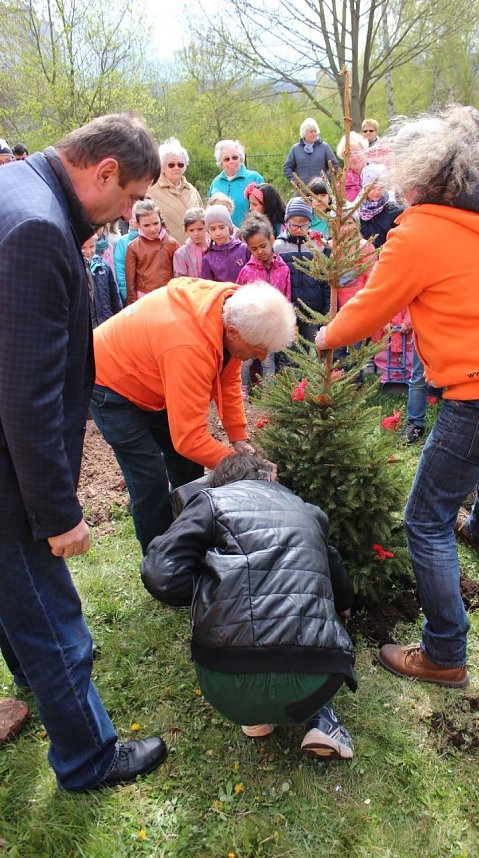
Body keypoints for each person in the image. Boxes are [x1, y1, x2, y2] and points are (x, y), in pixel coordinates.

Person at [315, 105, 479, 689]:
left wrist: (324, 335)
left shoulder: (419, 232)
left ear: (423, 174)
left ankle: (444, 652)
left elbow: (370, 306)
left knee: (424, 519)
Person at [0, 113, 167, 791]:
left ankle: (34, 688)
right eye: (128, 200)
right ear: (101, 171)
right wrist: (57, 512)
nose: (127, 216)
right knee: (52, 617)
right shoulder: (39, 228)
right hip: (8, 472)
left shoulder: (13, 186)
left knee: (14, 600)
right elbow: (26, 397)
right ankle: (88, 758)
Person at [141, 452, 356, 759]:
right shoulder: (310, 512)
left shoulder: (212, 501)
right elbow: (337, 579)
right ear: (268, 477)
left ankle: (254, 716)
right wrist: (343, 605)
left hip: (226, 682)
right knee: (323, 615)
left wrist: (210, 592)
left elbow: (160, 574)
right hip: (314, 677)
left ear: (222, 482)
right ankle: (323, 719)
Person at [91, 279, 296, 553]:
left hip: (153, 376)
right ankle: (162, 563)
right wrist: (246, 467)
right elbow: (188, 438)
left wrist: (238, 438)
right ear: (233, 332)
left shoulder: (232, 309)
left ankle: (190, 538)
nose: (261, 356)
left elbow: (229, 377)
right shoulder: (189, 346)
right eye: (258, 349)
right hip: (110, 384)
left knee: (187, 468)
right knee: (149, 480)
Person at [237, 213, 292, 393]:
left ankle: (269, 393)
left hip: (270, 326)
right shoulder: (247, 270)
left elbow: (286, 297)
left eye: (263, 246)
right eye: (254, 249)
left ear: (272, 240)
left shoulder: (283, 269)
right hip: (250, 326)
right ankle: (242, 390)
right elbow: (238, 296)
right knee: (246, 360)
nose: (260, 251)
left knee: (268, 361)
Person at [274, 197, 330, 342]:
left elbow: (326, 280)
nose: (299, 229)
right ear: (286, 222)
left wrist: (326, 309)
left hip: (313, 311)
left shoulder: (319, 245)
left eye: (304, 225)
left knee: (311, 347)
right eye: (294, 225)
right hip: (288, 310)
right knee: (288, 349)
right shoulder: (278, 247)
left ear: (310, 223)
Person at [147, 137, 202, 244]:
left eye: (180, 164)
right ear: (162, 166)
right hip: (166, 251)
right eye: (171, 165)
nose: (176, 168)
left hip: (194, 252)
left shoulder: (192, 190)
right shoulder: (151, 190)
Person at [125, 199, 179, 304]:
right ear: (138, 224)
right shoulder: (133, 247)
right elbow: (130, 282)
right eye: (146, 225)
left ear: (161, 220)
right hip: (144, 298)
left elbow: (180, 275)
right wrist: (132, 305)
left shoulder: (172, 244)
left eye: (155, 223)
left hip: (168, 296)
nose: (152, 229)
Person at [208, 140, 263, 228]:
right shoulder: (215, 183)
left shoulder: (254, 178)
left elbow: (265, 210)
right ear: (220, 162)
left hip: (249, 234)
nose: (231, 161)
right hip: (222, 237)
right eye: (226, 159)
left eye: (235, 157)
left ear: (241, 158)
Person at [200, 204, 250, 282]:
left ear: (230, 228)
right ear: (208, 232)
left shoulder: (244, 249)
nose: (218, 233)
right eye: (212, 229)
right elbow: (207, 287)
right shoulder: (208, 259)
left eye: (221, 227)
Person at [81, 233, 122, 327]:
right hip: (88, 326)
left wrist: (119, 316)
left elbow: (115, 296)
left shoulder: (104, 268)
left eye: (92, 246)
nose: (88, 251)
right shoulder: (76, 271)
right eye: (83, 248)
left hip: (107, 321)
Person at [283, 118, 339, 188]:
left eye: (315, 131)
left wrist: (325, 180)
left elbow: (334, 165)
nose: (314, 134)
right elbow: (287, 168)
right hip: (302, 191)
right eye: (311, 132)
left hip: (321, 190)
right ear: (304, 133)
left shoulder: (325, 147)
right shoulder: (295, 149)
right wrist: (296, 182)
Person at [358, 164, 403, 250]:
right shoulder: (356, 211)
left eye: (381, 188)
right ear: (364, 188)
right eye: (372, 188)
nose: (377, 192)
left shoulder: (395, 211)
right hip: (363, 259)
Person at [173, 207, 209, 278]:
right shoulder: (181, 254)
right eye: (191, 230)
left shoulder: (214, 246)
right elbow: (180, 279)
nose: (196, 233)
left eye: (200, 229)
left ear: (206, 227)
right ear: (186, 230)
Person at [113, 211, 139, 304]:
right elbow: (120, 270)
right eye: (131, 217)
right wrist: (126, 296)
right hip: (131, 297)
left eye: (135, 218)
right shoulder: (123, 242)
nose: (131, 220)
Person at [336, 132, 368, 202]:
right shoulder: (342, 184)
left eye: (357, 153)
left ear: (365, 152)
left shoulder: (378, 173)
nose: (354, 158)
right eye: (349, 155)